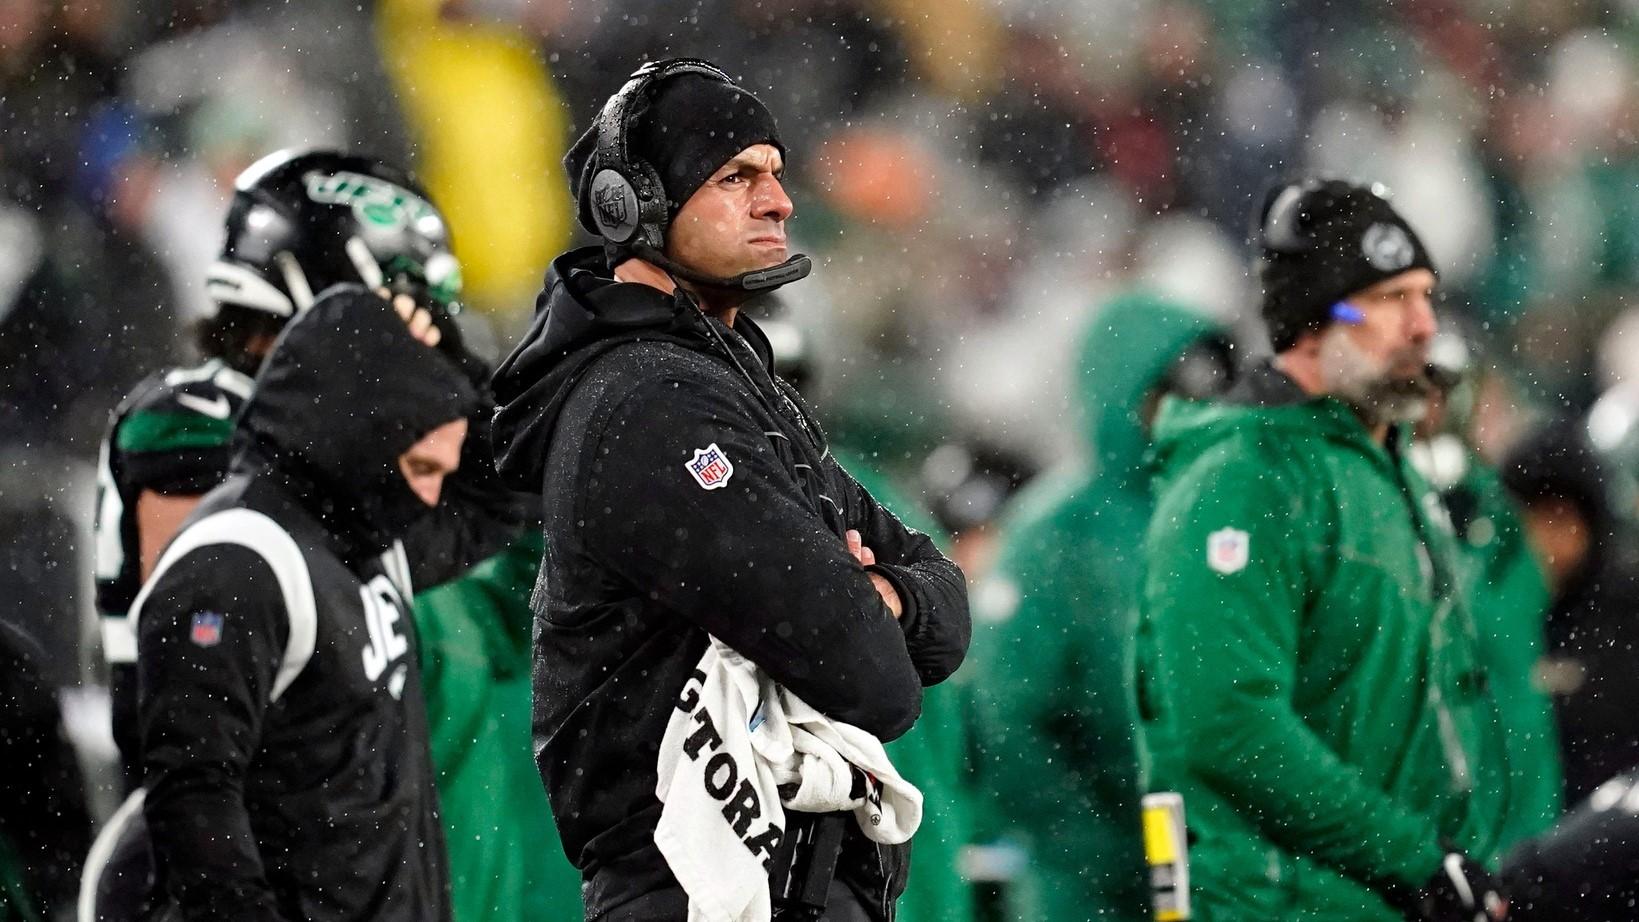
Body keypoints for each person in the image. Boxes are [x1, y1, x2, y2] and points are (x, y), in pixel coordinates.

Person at [490, 58, 971, 920]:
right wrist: (869, 600)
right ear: (627, 204)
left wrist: (888, 596)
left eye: (777, 175)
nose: (778, 202)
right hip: (703, 889)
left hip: (774, 884)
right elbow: (873, 678)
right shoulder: (649, 401)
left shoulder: (730, 382)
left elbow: (941, 614)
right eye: (735, 177)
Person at [1137, 179, 1510, 922]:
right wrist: (1412, 855)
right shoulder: (1241, 480)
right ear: (1315, 319)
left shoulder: (1379, 461)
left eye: (1426, 297)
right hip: (1277, 902)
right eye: (1389, 299)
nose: (1422, 326)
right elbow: (1229, 726)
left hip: (1377, 898)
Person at [133, 289, 478, 920]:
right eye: (420, 465)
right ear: (361, 432)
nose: (430, 496)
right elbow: (194, 798)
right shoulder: (237, 563)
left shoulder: (364, 537)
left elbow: (510, 480)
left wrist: (448, 358)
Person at [969, 291, 1233, 922]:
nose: (1192, 415)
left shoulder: (1239, 512)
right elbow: (1007, 719)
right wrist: (1093, 849)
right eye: (1168, 394)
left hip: (1230, 872)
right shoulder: (1055, 535)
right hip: (1088, 893)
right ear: (1121, 396)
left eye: (1209, 394)